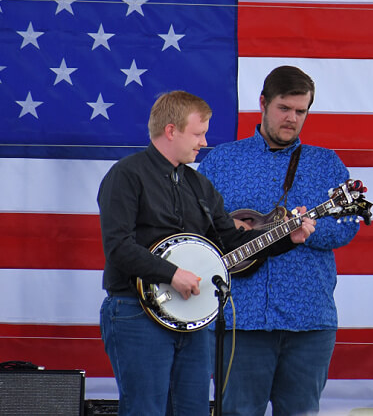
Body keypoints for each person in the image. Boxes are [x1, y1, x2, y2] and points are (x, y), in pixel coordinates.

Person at [98, 90, 315, 416]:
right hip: (135, 312)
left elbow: (231, 243)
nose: (204, 141)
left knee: (194, 409)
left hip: (192, 319)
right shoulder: (127, 175)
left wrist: (286, 238)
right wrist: (171, 274)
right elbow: (118, 246)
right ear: (171, 130)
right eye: (198, 133)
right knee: (145, 409)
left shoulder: (199, 186)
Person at [198, 65, 363, 416]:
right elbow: (197, 227)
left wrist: (308, 234)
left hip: (309, 319)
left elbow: (347, 226)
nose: (292, 118)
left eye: (300, 111)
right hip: (241, 317)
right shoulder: (223, 160)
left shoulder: (325, 164)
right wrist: (236, 231)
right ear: (262, 103)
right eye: (284, 108)